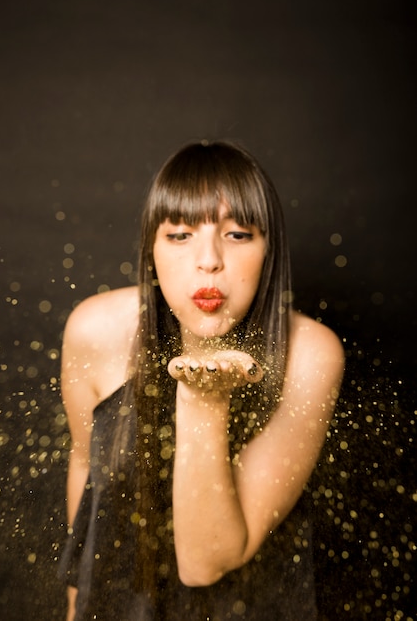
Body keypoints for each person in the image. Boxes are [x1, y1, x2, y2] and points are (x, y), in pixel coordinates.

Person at [58, 140, 345, 620]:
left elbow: (204, 564)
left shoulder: (311, 355)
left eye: (237, 235)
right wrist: (74, 605)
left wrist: (202, 401)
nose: (208, 260)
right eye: (180, 235)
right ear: (151, 249)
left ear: (268, 249)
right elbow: (87, 470)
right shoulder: (95, 331)